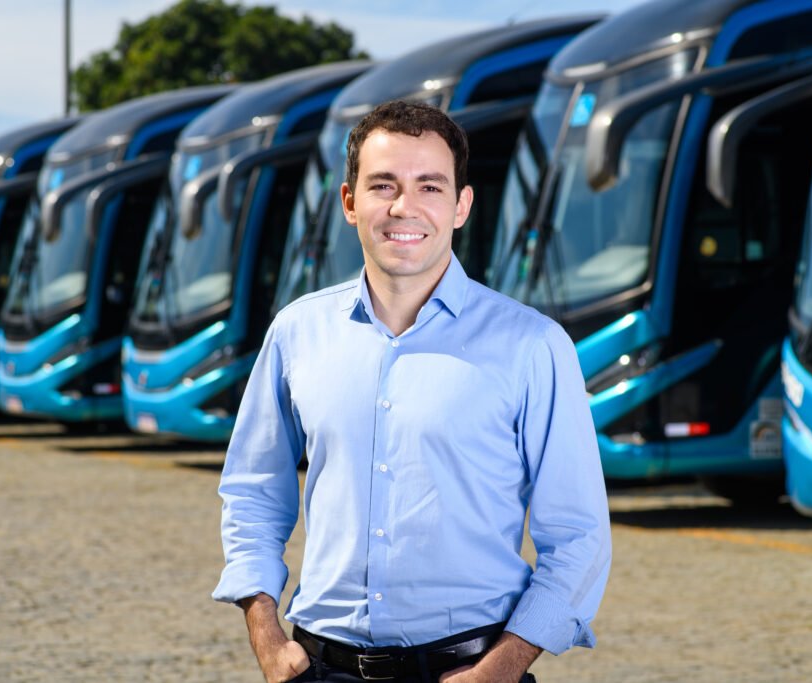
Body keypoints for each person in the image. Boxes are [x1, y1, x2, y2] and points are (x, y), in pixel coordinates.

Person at [214, 100, 611, 683]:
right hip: (318, 668)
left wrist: (500, 670)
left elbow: (578, 537)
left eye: (430, 186)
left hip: (472, 670)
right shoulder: (296, 332)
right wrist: (267, 636)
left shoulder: (533, 346)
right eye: (383, 185)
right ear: (350, 202)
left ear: (461, 206)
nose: (405, 207)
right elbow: (252, 494)